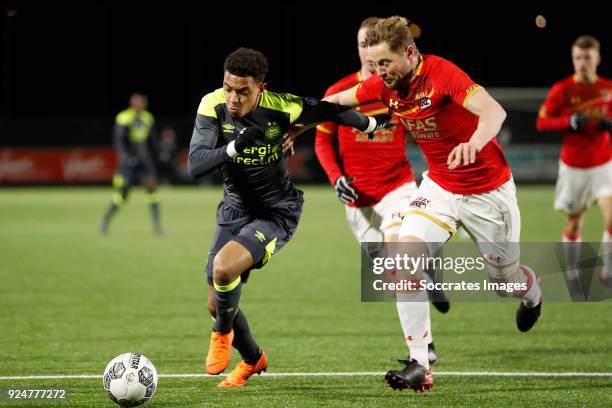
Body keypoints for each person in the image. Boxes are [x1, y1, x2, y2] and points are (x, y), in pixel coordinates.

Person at [323, 16, 542, 392]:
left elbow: (494, 112)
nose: (378, 72)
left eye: (385, 63)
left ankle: (532, 291)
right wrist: (295, 125)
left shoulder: (441, 73)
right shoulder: (384, 83)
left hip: (487, 192)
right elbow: (335, 102)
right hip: (440, 187)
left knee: (505, 284)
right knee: (402, 262)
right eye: (374, 65)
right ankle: (420, 363)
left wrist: (475, 140)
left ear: (409, 53)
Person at [189, 47, 389, 388]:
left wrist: (371, 124)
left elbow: (330, 111)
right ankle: (253, 359)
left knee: (223, 270)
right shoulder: (213, 105)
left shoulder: (282, 106)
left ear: (261, 89)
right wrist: (236, 146)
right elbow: (196, 164)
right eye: (228, 88)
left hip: (275, 212)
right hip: (233, 210)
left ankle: (221, 333)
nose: (233, 98)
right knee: (215, 301)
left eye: (243, 91)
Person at [314, 16, 448, 367]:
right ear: (358, 48)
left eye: (374, 43)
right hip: (358, 201)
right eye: (363, 43)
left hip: (397, 189)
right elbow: (322, 141)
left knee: (401, 260)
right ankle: (428, 271)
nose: (369, 52)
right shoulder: (342, 90)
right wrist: (334, 177)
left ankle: (426, 350)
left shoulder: (400, 87)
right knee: (393, 277)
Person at [536, 35, 612, 294]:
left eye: (587, 58)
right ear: (573, 59)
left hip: (604, 164)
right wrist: (567, 122)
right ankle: (572, 275)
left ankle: (607, 273)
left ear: (597, 59)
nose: (582, 63)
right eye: (578, 58)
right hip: (574, 166)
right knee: (574, 223)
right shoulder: (562, 90)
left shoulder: (608, 88)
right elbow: (542, 122)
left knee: (611, 217)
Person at [100, 93, 164, 235]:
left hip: (144, 161)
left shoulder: (147, 118)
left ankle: (157, 227)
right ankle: (105, 220)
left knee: (152, 189)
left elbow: (152, 139)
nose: (139, 105)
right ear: (131, 104)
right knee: (123, 193)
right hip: (128, 162)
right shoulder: (123, 117)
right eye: (136, 102)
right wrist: (125, 156)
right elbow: (119, 140)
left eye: (141, 103)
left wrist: (160, 151)